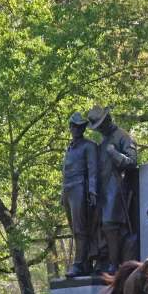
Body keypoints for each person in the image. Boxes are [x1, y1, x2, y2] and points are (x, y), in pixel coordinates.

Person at [87, 105, 138, 275]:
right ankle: (104, 260)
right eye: (98, 127)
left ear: (108, 120)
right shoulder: (103, 140)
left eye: (101, 125)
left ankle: (114, 264)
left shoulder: (124, 137)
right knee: (99, 227)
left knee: (110, 225)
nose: (100, 130)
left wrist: (113, 153)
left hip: (117, 186)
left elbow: (132, 163)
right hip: (102, 188)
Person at [62, 112, 98, 278]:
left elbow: (93, 169)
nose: (77, 129)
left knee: (80, 228)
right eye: (74, 126)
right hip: (68, 189)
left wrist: (92, 190)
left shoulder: (89, 146)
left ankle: (79, 265)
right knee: (73, 229)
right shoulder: (70, 147)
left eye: (80, 126)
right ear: (70, 127)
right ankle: (84, 263)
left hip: (79, 188)